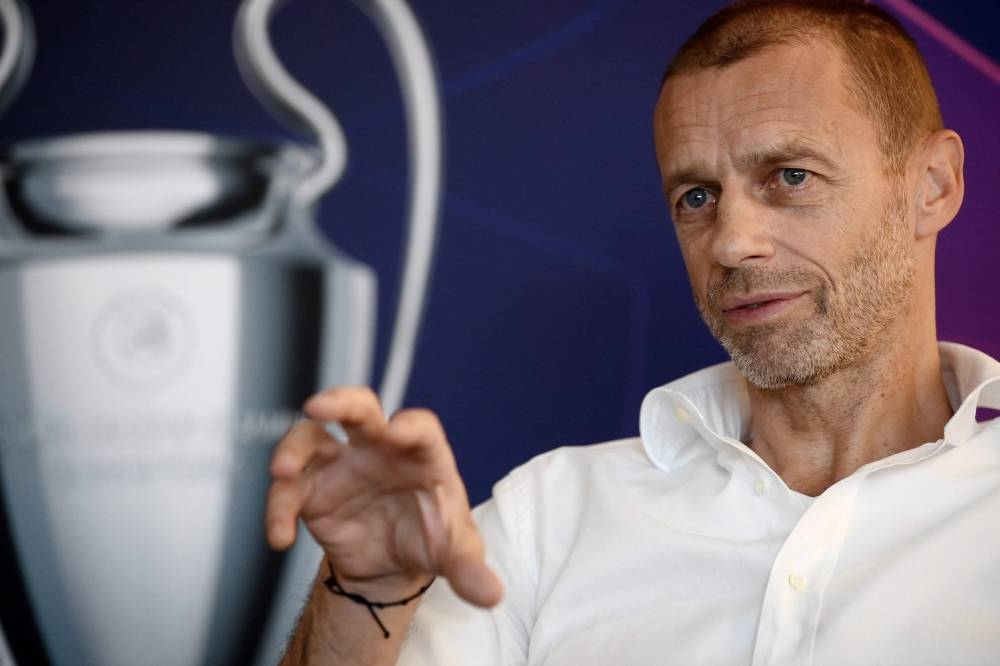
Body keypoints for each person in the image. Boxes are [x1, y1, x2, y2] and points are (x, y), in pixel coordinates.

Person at [264, 0, 1000, 663]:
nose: (731, 242)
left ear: (931, 187)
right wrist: (373, 590)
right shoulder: (547, 518)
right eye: (697, 195)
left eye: (790, 176)